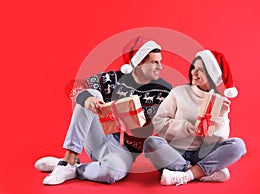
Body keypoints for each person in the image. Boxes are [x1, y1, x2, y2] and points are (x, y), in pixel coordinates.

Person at [34, 36, 172, 185]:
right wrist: (87, 99)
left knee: (111, 173)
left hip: (124, 152)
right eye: (154, 62)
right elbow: (73, 87)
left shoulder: (164, 91)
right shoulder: (112, 79)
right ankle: (69, 159)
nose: (160, 67)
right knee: (91, 94)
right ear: (139, 64)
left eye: (160, 62)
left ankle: (73, 168)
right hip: (99, 135)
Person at [143, 49, 246, 186]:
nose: (194, 73)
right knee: (151, 142)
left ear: (212, 75)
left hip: (201, 154)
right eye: (194, 68)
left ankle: (183, 175)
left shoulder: (219, 101)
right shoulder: (178, 92)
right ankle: (200, 173)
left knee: (238, 145)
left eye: (201, 70)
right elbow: (158, 122)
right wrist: (187, 128)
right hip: (174, 153)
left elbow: (218, 140)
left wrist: (220, 117)